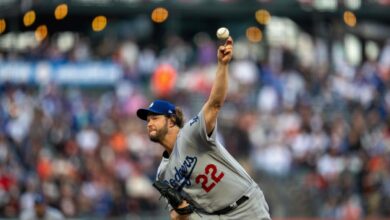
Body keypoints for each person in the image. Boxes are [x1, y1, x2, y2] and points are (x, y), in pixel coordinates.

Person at [136, 37, 271, 220]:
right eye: (147, 120)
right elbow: (177, 216)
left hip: (244, 208)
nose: (149, 123)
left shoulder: (191, 134)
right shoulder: (163, 174)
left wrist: (222, 66)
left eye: (155, 118)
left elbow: (214, 104)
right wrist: (181, 210)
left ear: (171, 121)